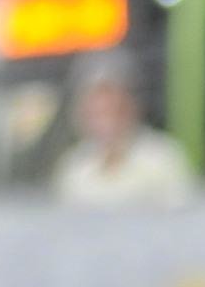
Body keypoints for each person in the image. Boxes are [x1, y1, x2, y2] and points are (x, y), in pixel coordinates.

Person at [51, 72, 194, 210]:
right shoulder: (74, 167)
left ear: (131, 109)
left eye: (113, 111)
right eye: (96, 114)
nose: (105, 123)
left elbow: (183, 214)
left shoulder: (163, 157)